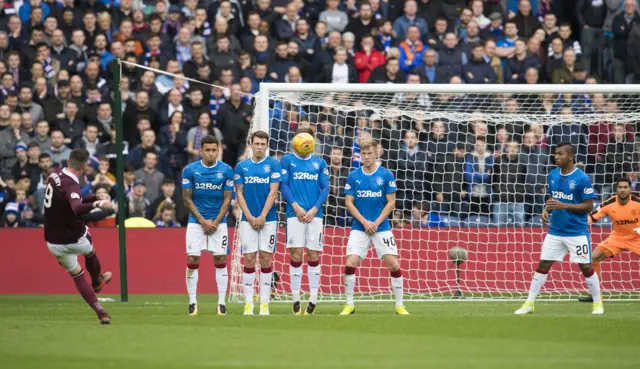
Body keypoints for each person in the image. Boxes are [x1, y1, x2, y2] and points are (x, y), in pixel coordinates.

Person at [515, 143, 601, 315]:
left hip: (576, 232)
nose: (556, 157)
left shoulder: (582, 178)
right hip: (555, 231)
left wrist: (564, 205)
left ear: (570, 157)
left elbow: (589, 206)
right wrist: (547, 209)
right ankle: (529, 303)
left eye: (560, 154)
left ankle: (598, 303)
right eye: (555, 154)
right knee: (543, 264)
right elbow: (552, 197)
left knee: (586, 267)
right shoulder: (553, 175)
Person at [43, 148, 113, 324]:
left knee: (77, 274)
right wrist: (96, 203)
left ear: (68, 161)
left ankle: (100, 311)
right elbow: (76, 207)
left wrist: (92, 196)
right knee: (89, 251)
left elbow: (72, 198)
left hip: (53, 241)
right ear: (84, 168)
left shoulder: (55, 175)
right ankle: (97, 281)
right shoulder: (72, 184)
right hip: (74, 237)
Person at [340, 138, 409, 316]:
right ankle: (349, 304)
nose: (367, 157)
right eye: (364, 153)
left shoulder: (386, 175)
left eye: (370, 153)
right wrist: (364, 222)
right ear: (360, 155)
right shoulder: (354, 176)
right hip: (359, 226)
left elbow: (391, 202)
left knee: (393, 264)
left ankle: (400, 305)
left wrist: (376, 222)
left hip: (382, 226)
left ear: (376, 153)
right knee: (350, 263)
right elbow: (348, 202)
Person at [181, 135, 234, 316]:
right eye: (207, 150)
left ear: (218, 150)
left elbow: (227, 199)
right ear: (201, 151)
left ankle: (221, 303)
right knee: (193, 259)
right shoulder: (190, 170)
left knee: (220, 260)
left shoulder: (226, 170)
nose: (211, 153)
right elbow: (186, 198)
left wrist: (216, 221)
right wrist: (203, 221)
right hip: (196, 223)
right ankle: (192, 302)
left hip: (219, 223)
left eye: (214, 150)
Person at [280, 128, 330, 315]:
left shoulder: (320, 162)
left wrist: (315, 208)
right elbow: (284, 185)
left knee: (314, 255)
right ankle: (295, 298)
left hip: (315, 214)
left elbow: (325, 188)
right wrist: (296, 206)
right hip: (295, 214)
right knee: (295, 254)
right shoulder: (287, 160)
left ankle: (313, 298)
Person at [234, 131, 281, 316]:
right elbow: (239, 193)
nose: (260, 147)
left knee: (266, 258)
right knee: (249, 258)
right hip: (247, 219)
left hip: (268, 219)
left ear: (267, 145)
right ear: (251, 144)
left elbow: (273, 192)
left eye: (263, 144)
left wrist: (261, 216)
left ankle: (264, 304)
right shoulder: (242, 166)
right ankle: (248, 303)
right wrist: (250, 216)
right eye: (257, 143)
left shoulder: (273, 165)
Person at [577, 178, 640, 303]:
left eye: (625, 187)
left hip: (637, 237)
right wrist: (576, 226)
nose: (622, 190)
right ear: (616, 189)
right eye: (620, 187)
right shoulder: (608, 203)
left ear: (630, 189)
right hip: (617, 237)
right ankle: (596, 295)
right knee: (593, 258)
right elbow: (592, 217)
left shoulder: (637, 203)